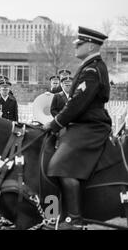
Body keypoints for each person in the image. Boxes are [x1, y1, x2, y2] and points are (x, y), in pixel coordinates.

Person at [43, 27, 111, 230]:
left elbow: (76, 104)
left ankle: (74, 218)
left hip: (89, 127)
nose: (76, 46)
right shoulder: (89, 66)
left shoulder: (92, 69)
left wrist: (55, 124)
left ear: (90, 46)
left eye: (79, 43)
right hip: (81, 125)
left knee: (62, 165)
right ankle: (51, 213)